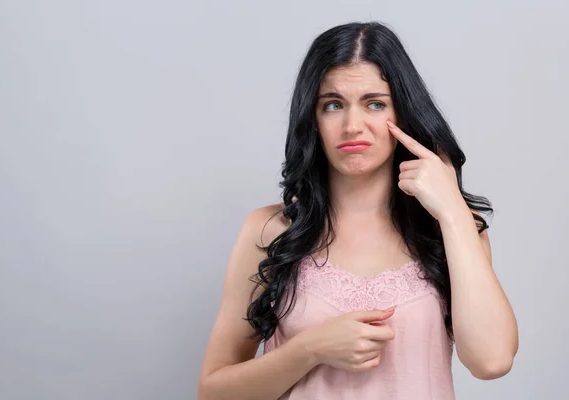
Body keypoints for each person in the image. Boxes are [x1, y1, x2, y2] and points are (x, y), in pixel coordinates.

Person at [198, 21, 518, 400]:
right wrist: (309, 349)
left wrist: (450, 210)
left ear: (403, 114)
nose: (352, 126)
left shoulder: (454, 230)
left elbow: (492, 361)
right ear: (312, 119)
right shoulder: (270, 229)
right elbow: (213, 391)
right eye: (333, 105)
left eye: (375, 103)